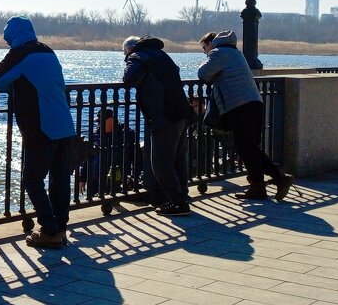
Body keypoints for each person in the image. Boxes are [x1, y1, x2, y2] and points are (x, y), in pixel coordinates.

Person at [0, 16, 76, 249]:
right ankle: (60, 227)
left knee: (32, 179)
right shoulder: (47, 51)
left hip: (42, 126)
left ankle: (50, 229)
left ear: (11, 37)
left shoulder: (20, 53)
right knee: (60, 179)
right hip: (64, 124)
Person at [197, 30, 293, 201]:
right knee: (249, 147)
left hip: (239, 106)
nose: (205, 51)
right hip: (253, 103)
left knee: (245, 147)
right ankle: (259, 186)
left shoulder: (219, 53)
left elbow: (203, 73)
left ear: (212, 44)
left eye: (204, 47)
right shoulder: (235, 53)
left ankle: (278, 178)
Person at [121, 36, 193, 216]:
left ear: (129, 49)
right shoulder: (162, 55)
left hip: (164, 114)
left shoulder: (137, 57)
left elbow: (128, 79)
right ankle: (181, 196)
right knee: (177, 159)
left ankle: (178, 203)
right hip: (182, 111)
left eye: (124, 52)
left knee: (160, 163)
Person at [79, 107, 139, 199]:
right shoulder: (95, 135)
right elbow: (87, 158)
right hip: (95, 178)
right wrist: (82, 178)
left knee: (113, 199)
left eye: (101, 122)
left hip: (117, 178)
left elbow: (135, 158)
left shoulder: (125, 135)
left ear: (111, 120)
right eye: (98, 122)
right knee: (92, 201)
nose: (99, 125)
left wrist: (134, 176)